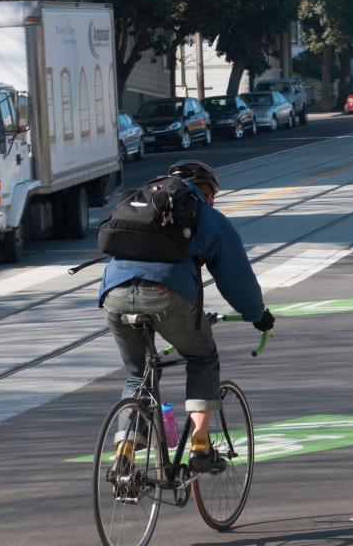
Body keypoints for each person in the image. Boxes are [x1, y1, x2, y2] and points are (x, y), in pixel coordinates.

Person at [98, 160, 274, 472]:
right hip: (167, 296)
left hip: (114, 294)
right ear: (207, 193)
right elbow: (237, 280)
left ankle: (124, 455)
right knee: (202, 357)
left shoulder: (143, 201)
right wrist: (257, 315)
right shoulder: (206, 215)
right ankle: (201, 446)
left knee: (138, 373)